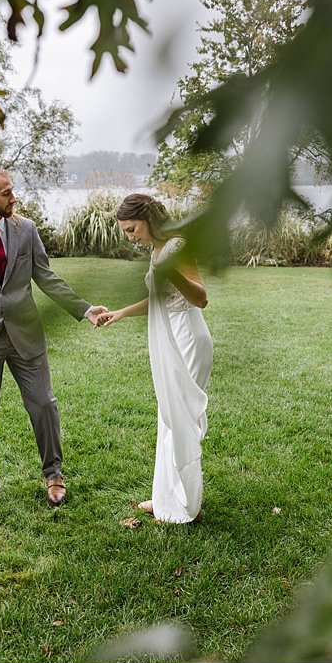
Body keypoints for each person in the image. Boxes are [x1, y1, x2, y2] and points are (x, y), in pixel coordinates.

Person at [0, 166, 107, 513]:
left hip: (26, 334)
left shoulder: (26, 229)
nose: (14, 198)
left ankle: (54, 475)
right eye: (6, 193)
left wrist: (85, 309)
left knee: (43, 404)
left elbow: (46, 278)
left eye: (13, 191)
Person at [97, 194, 212, 524]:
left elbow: (200, 298)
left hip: (187, 337)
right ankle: (166, 498)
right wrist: (121, 313)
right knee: (167, 418)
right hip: (168, 333)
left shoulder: (176, 246)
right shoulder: (157, 250)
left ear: (147, 219)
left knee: (178, 421)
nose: (129, 237)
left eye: (131, 229)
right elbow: (158, 297)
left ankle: (188, 504)